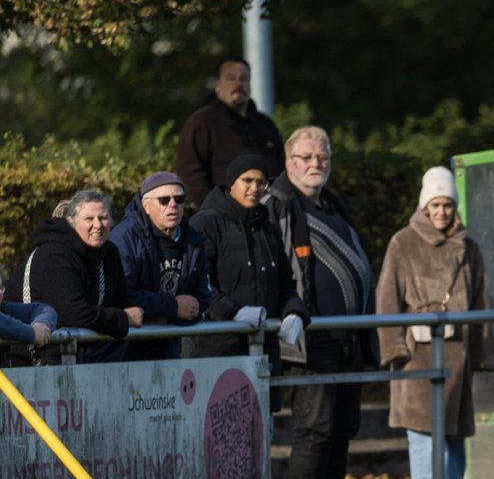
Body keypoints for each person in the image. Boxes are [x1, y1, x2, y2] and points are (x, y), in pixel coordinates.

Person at [263, 126, 380, 479]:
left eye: (322, 158)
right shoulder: (276, 204)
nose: (315, 164)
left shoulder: (332, 203)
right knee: (315, 425)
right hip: (309, 339)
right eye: (306, 158)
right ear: (288, 162)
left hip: (348, 336)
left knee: (344, 425)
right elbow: (276, 270)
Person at [376, 167, 494, 479]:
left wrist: (482, 353)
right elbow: (387, 298)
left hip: (457, 355)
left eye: (447, 205)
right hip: (417, 356)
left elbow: (480, 301)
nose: (441, 212)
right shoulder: (403, 242)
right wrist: (395, 348)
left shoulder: (468, 246)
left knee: (455, 436)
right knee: (423, 435)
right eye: (435, 205)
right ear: (425, 206)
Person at [187, 153, 308, 379]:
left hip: (262, 351)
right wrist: (233, 313)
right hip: (217, 352)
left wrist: (294, 312)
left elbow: (285, 281)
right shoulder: (207, 222)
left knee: (263, 414)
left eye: (261, 182)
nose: (255, 187)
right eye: (247, 180)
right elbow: (197, 283)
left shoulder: (268, 228)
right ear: (232, 183)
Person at [21, 189, 143, 365]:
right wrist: (123, 319)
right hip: (35, 362)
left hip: (85, 358)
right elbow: (75, 313)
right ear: (71, 223)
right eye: (89, 219)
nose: (98, 225)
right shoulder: (54, 254)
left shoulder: (108, 252)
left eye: (103, 218)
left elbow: (124, 301)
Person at [108, 171, 212, 361]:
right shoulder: (124, 238)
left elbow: (202, 298)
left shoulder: (193, 240)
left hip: (169, 347)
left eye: (179, 199)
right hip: (127, 350)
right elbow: (122, 296)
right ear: (146, 206)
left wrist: (171, 315)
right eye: (164, 200)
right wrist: (171, 307)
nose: (173, 205)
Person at [176, 58, 286, 208]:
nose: (238, 84)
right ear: (217, 85)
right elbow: (190, 174)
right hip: (225, 219)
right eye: (231, 78)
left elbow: (282, 168)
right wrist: (215, 213)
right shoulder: (202, 123)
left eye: (244, 79)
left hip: (271, 217)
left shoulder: (266, 125)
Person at [0, 266, 56, 367]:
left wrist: (40, 324)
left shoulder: (4, 309)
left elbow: (43, 309)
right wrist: (32, 334)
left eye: (0, 288)